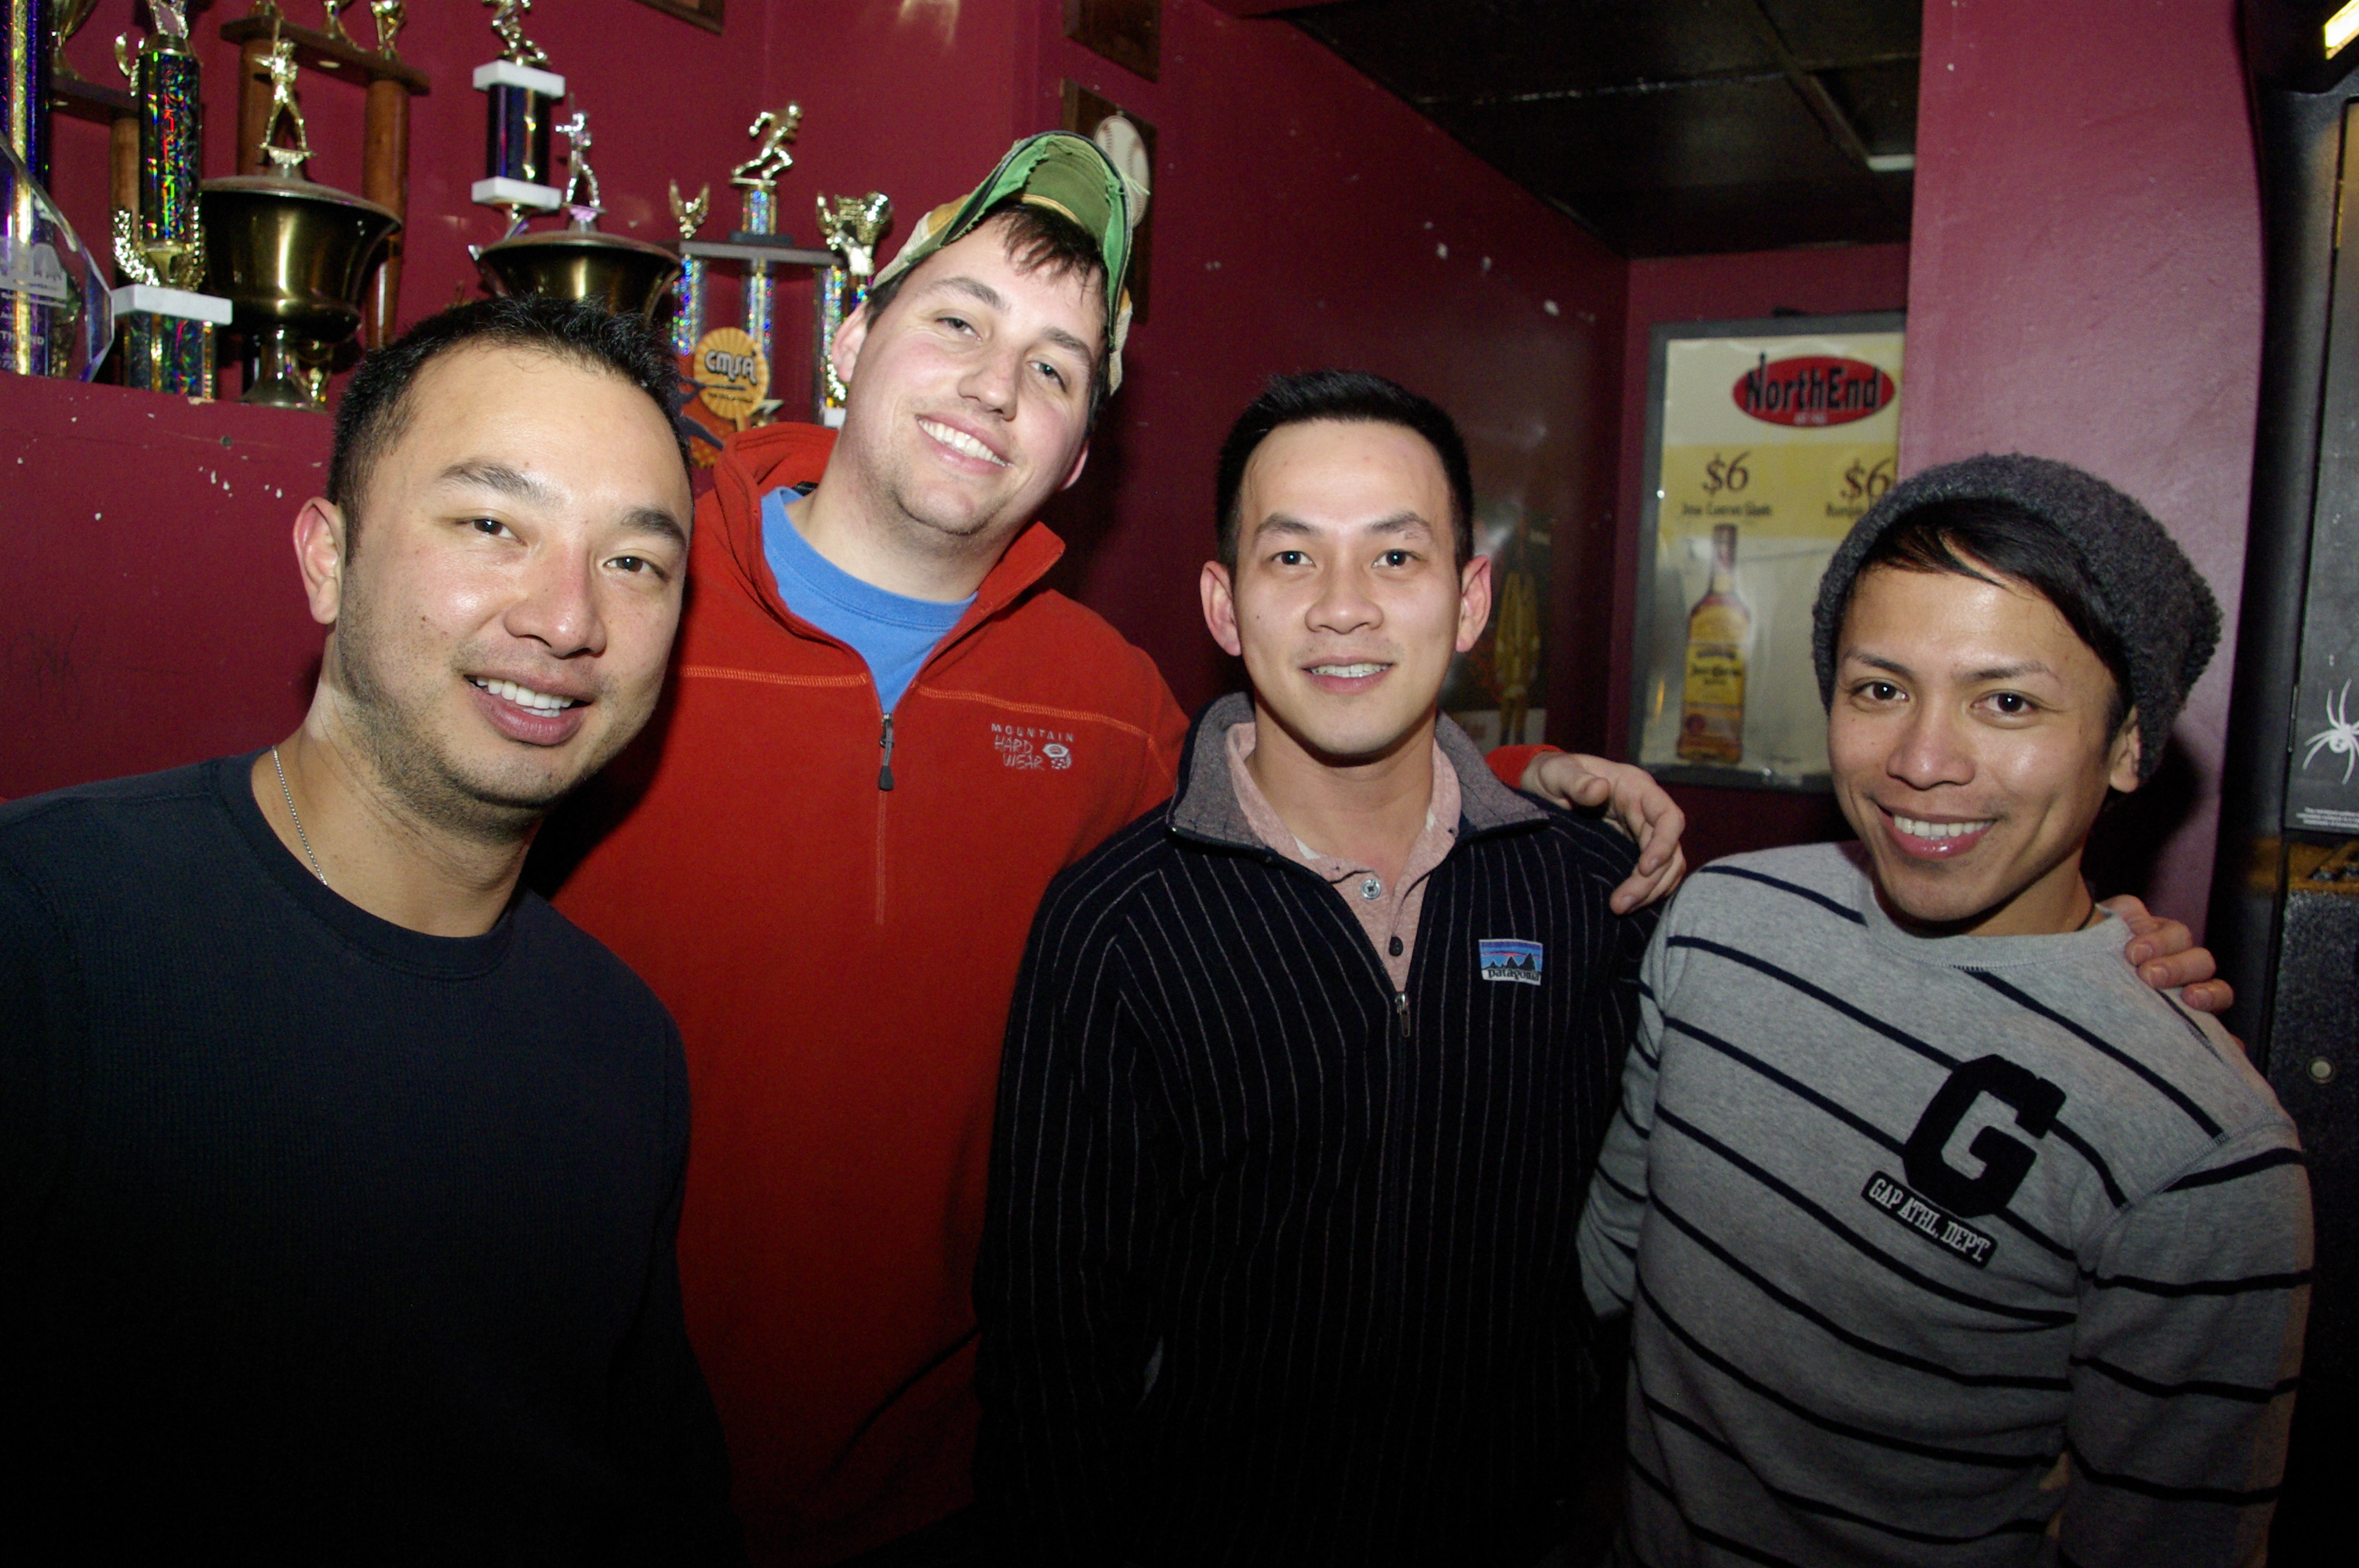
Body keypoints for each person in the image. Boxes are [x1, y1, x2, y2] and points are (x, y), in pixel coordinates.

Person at [535, 131, 1688, 1565]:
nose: (994, 388)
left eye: (1056, 368)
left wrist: (1513, 790)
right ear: (851, 338)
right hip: (596, 1452)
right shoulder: (622, 609)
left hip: (944, 1477)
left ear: (1082, 451)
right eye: (958, 322)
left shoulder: (1102, 701)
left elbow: (1292, 776)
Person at [0, 299, 740, 1557]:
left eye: (635, 563)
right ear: (328, 560)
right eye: (492, 525)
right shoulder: (46, 936)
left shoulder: (624, 1049)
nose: (569, 619)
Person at [972, 371, 1663, 1565]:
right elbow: (1054, 1344)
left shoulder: (1591, 895)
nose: (1345, 608)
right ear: (1225, 606)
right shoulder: (1117, 926)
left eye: (1396, 557)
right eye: (1292, 558)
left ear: (1470, 601)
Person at [1576, 456, 2312, 1566]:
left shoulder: (2203, 1151)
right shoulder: (1720, 921)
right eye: (1880, 690)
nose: (1922, 761)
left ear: (2127, 744)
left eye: (2007, 701)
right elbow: (1605, 1263)